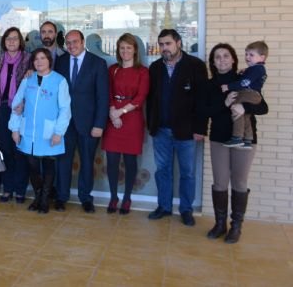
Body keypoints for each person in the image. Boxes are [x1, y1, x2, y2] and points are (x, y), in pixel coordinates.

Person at [198, 43, 268, 243]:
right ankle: (220, 224)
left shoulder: (244, 79)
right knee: (220, 182)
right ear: (213, 62)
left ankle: (236, 226)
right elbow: (205, 112)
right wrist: (225, 103)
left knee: (239, 182)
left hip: (245, 140)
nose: (222, 60)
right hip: (219, 138)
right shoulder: (208, 85)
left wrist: (244, 108)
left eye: (226, 56)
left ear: (233, 59)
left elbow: (263, 107)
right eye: (217, 57)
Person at [146, 29, 207, 226]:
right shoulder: (155, 68)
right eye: (161, 44)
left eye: (168, 44)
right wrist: (151, 124)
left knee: (187, 173)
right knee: (162, 170)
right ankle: (164, 206)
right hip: (161, 130)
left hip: (186, 131)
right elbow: (151, 99)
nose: (164, 48)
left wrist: (200, 128)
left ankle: (186, 209)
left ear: (178, 43)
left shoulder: (195, 66)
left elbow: (202, 101)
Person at [9, 48, 71, 213]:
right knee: (32, 165)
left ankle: (44, 200)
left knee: (49, 166)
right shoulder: (27, 79)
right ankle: (38, 196)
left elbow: (65, 109)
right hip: (29, 131)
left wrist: (59, 132)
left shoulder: (59, 80)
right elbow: (16, 104)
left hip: (49, 132)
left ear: (49, 60)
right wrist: (14, 129)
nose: (39, 62)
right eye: (36, 59)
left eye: (43, 58)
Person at [54, 30, 109, 213]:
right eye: (68, 43)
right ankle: (61, 197)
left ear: (83, 41)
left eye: (75, 41)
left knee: (87, 162)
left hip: (89, 124)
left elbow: (103, 97)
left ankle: (86, 198)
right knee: (63, 161)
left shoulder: (98, 63)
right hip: (65, 123)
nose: (71, 46)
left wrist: (99, 124)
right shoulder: (60, 62)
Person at [101, 33, 149, 215]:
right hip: (113, 117)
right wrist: (113, 111)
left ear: (135, 50)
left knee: (130, 162)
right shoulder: (112, 69)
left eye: (129, 47)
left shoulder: (143, 71)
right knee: (112, 161)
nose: (125, 51)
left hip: (132, 118)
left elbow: (141, 97)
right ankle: (114, 197)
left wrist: (120, 112)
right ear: (118, 50)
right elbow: (108, 92)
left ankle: (127, 198)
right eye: (122, 48)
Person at [0, 27, 31, 203]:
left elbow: (35, 85)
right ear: (4, 42)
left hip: (22, 110)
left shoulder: (29, 59)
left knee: (20, 150)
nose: (12, 41)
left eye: (15, 38)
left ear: (20, 41)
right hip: (3, 109)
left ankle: (20, 189)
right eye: (8, 39)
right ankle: (8, 188)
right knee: (5, 150)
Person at [221, 40, 268, 149]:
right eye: (246, 54)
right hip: (253, 94)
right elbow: (250, 77)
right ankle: (247, 139)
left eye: (251, 55)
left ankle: (237, 137)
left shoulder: (257, 69)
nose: (247, 57)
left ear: (262, 57)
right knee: (245, 115)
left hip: (249, 93)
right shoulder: (256, 69)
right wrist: (245, 72)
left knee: (236, 109)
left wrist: (228, 86)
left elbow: (244, 83)